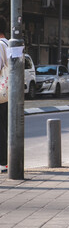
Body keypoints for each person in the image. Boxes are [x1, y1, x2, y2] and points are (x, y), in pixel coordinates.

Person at [0, 15, 8, 173]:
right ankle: (6, 162)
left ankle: (2, 163)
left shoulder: (0, 45)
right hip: (10, 94)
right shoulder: (10, 44)